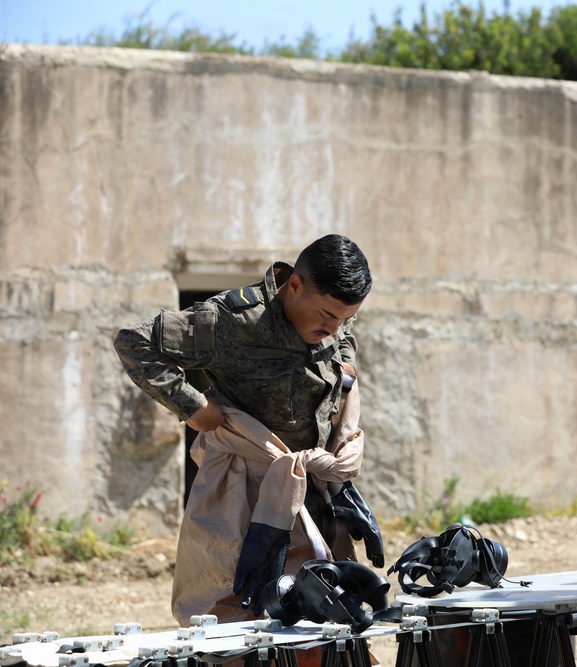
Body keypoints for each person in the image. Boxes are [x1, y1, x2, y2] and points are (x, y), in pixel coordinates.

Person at [115, 234, 384, 625]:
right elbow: (135, 342)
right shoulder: (233, 320)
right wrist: (193, 406)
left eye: (346, 317)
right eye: (328, 315)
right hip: (245, 497)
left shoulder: (331, 319)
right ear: (295, 285)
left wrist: (346, 371)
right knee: (243, 612)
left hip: (312, 491)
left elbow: (344, 343)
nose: (334, 326)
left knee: (324, 610)